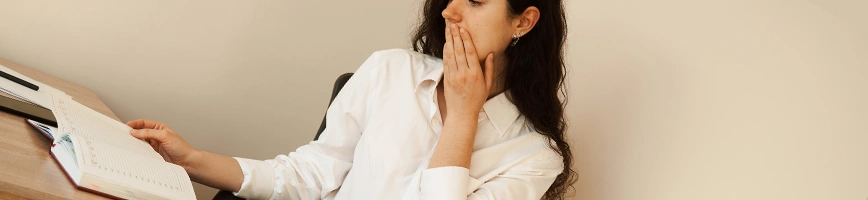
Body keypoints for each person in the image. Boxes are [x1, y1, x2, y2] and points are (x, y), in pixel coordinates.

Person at [127, 0, 577, 199]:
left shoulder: (535, 156)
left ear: (524, 21)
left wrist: (463, 117)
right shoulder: (389, 70)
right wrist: (191, 159)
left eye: (475, 0)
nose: (449, 11)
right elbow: (310, 175)